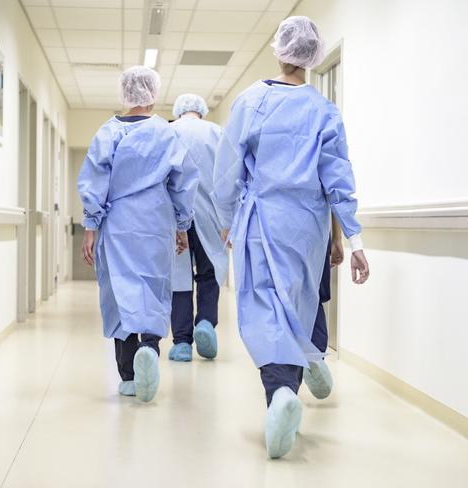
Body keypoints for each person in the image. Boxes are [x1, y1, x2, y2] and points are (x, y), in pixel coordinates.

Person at [212, 16, 370, 458]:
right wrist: (353, 242)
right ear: (313, 57)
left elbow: (226, 170)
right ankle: (296, 381)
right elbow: (337, 180)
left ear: (278, 50)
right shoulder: (324, 111)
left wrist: (226, 218)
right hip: (308, 230)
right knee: (299, 310)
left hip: (261, 224)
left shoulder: (250, 103)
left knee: (264, 310)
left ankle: (279, 394)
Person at [78, 66, 198, 403]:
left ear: (124, 94)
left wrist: (90, 229)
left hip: (117, 223)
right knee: (153, 286)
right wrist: (182, 226)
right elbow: (183, 183)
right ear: (154, 94)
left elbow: (94, 184)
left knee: (120, 293)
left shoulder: (108, 133)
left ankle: (129, 375)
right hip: (155, 221)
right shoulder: (167, 133)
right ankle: (150, 345)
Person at [168, 94, 229, 362]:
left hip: (173, 217)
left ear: (179, 111)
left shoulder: (167, 132)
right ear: (201, 112)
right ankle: (205, 322)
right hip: (210, 216)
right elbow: (229, 177)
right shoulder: (217, 133)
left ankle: (182, 342)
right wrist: (229, 222)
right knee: (209, 272)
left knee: (178, 279)